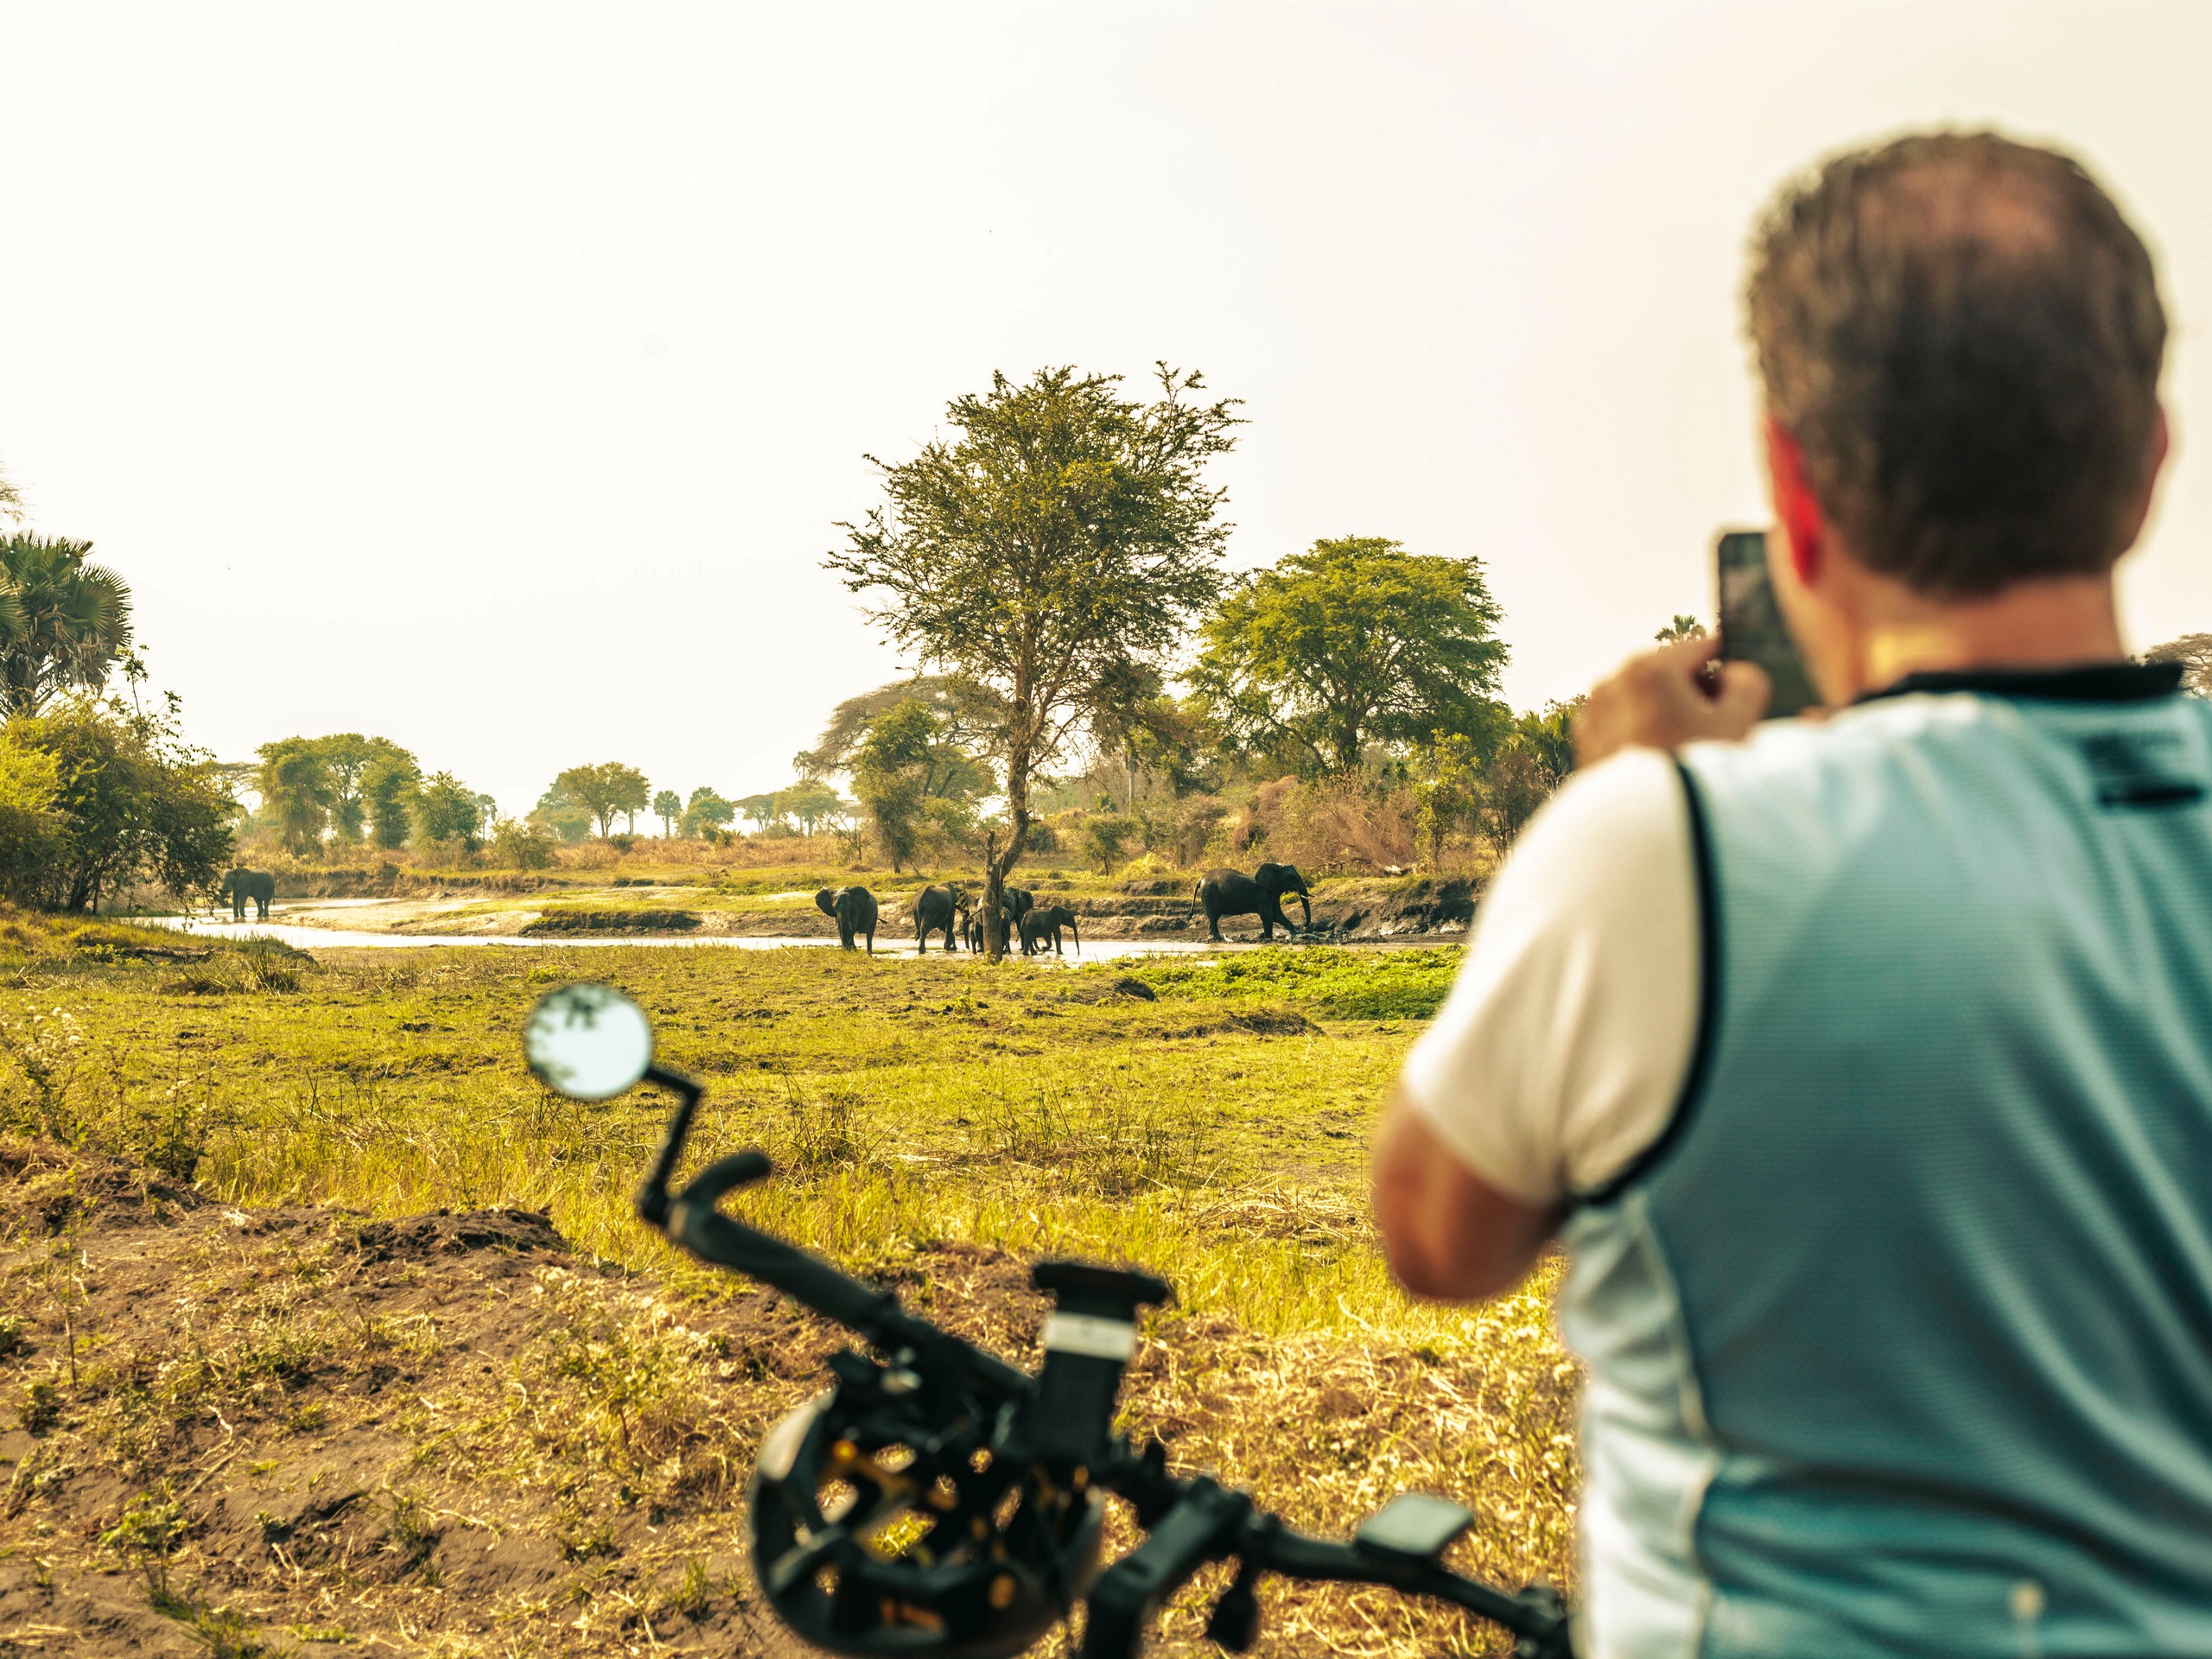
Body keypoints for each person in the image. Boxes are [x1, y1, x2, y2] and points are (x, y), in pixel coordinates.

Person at [1373, 130, 2211, 1657]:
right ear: (2149, 465)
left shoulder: (1665, 848)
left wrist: (1629, 791)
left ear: (1797, 494)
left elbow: (1439, 1239)